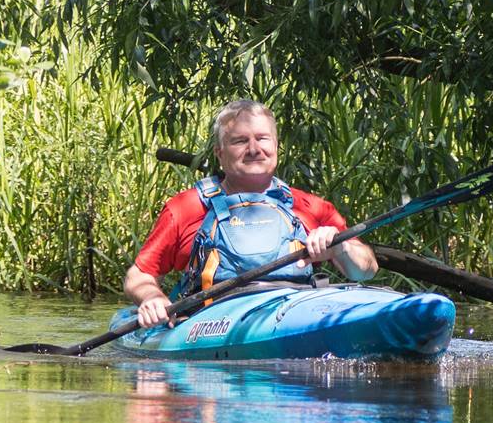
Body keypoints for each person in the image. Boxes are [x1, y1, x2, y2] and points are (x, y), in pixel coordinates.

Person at [124, 100, 378, 328]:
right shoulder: (186, 208)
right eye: (240, 141)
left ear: (276, 146)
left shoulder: (310, 207)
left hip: (297, 314)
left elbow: (366, 270)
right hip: (213, 321)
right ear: (219, 153)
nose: (254, 149)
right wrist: (152, 297)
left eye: (262, 138)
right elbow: (138, 276)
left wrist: (341, 248)